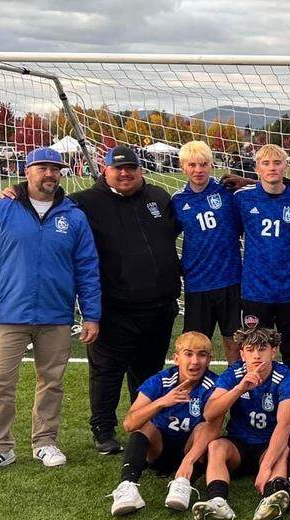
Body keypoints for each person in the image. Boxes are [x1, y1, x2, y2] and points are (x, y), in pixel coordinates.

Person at [0, 147, 101, 477]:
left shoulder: (74, 216)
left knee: (51, 382)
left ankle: (44, 441)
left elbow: (87, 267)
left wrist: (91, 314)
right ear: (27, 171)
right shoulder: (0, 209)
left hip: (56, 316)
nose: (49, 174)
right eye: (42, 168)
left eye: (55, 169)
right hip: (7, 314)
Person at [71, 145, 180, 454]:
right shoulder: (84, 202)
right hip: (114, 307)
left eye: (130, 167)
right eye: (117, 168)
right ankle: (103, 429)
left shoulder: (158, 196)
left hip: (159, 306)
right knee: (107, 371)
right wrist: (17, 191)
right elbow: (43, 199)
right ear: (105, 170)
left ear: (139, 170)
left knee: (148, 371)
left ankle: (142, 422)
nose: (124, 173)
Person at [192, 326, 290, 520]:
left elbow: (284, 426)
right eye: (250, 350)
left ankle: (270, 498)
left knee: (282, 451)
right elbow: (209, 412)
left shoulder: (286, 377)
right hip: (239, 444)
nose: (256, 355)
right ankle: (218, 502)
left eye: (262, 349)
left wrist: (266, 467)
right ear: (242, 353)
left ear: (273, 351)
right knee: (216, 446)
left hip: (268, 443)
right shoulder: (235, 373)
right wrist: (239, 388)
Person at [107, 332, 219, 516]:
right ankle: (127, 487)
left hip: (191, 454)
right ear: (176, 358)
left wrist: (188, 461)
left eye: (202, 354)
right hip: (157, 450)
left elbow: (214, 428)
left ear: (209, 360)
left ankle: (183, 483)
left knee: (204, 426)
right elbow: (128, 424)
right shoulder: (161, 380)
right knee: (143, 425)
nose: (195, 361)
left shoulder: (214, 385)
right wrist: (161, 402)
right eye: (188, 354)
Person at [234, 144, 290, 376]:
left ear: (285, 167)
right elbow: (235, 231)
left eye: (277, 163)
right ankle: (256, 402)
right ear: (257, 168)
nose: (272, 168)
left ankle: (289, 405)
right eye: (266, 163)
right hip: (255, 289)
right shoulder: (242, 198)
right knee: (255, 348)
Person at [172, 141, 243, 365]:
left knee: (234, 341)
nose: (198, 170)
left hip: (230, 279)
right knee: (195, 344)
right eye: (192, 165)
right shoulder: (177, 200)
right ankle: (195, 394)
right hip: (197, 283)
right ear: (183, 167)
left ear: (211, 165)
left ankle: (235, 393)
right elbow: (165, 238)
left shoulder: (228, 193)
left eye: (203, 164)